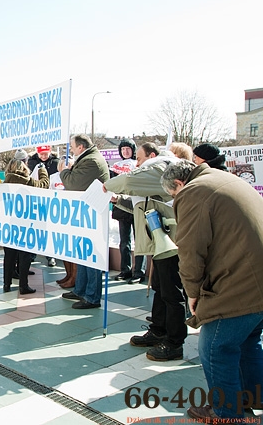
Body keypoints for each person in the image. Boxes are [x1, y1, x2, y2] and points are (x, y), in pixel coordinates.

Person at [161, 160, 263, 422]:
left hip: (240, 284)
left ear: (178, 184)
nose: (175, 200)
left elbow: (191, 251)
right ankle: (253, 397)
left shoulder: (193, 192)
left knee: (215, 348)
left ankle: (226, 412)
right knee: (248, 341)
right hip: (256, 279)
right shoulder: (221, 178)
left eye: (173, 196)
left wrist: (192, 293)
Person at [104, 142, 187, 362]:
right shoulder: (156, 173)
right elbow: (139, 202)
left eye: (139, 159)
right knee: (161, 288)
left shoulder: (161, 168)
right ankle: (159, 330)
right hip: (160, 241)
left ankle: (175, 341)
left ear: (152, 156)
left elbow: (129, 181)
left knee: (172, 292)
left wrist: (107, 185)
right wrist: (118, 199)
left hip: (171, 241)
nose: (137, 164)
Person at [58, 134, 110, 309]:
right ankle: (81, 290)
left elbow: (73, 183)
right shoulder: (89, 159)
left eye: (72, 147)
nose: (71, 150)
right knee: (82, 253)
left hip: (92, 216)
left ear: (80, 147)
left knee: (92, 256)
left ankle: (92, 296)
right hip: (85, 215)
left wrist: (63, 171)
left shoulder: (92, 162)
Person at [2, 159, 49, 294]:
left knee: (9, 256)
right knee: (25, 256)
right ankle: (23, 285)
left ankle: (6, 284)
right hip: (26, 225)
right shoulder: (28, 182)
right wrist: (42, 170)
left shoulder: (5, 183)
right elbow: (44, 184)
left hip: (10, 224)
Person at [109, 139, 146, 283]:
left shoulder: (139, 165)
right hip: (121, 206)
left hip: (137, 205)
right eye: (123, 149)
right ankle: (125, 269)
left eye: (128, 149)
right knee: (124, 241)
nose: (125, 152)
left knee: (139, 240)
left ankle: (139, 271)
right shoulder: (116, 167)